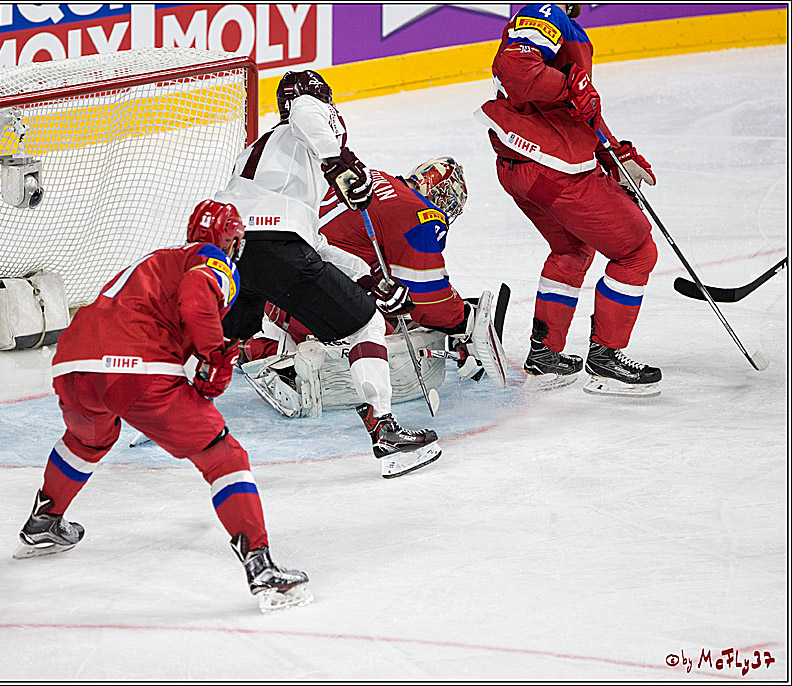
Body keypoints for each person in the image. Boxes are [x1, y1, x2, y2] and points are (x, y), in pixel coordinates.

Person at [12, 200, 312, 614]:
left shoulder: (159, 260)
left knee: (89, 437)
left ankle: (44, 520)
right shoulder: (214, 261)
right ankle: (260, 564)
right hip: (134, 368)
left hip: (73, 363)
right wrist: (215, 354)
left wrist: (202, 362)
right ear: (232, 240)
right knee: (224, 456)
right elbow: (196, 299)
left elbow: (164, 315)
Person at [215, 70, 441, 478]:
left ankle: (157, 406)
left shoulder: (268, 154)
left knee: (223, 339)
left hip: (230, 252)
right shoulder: (305, 124)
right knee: (366, 322)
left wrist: (365, 278)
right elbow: (304, 107)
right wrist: (340, 161)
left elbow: (313, 243)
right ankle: (385, 429)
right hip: (273, 246)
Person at [475, 3, 662, 397]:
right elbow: (517, 72)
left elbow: (573, 109)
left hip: (520, 166)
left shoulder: (556, 22)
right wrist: (570, 85)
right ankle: (607, 360)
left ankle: (546, 356)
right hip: (555, 168)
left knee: (572, 248)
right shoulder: (545, 10)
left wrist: (614, 151)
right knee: (636, 251)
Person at [240, 156, 509, 398]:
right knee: (387, 345)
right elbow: (428, 295)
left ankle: (264, 345)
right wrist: (460, 320)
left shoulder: (376, 178)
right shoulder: (419, 214)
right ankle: (286, 364)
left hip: (270, 287)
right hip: (306, 298)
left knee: (389, 303)